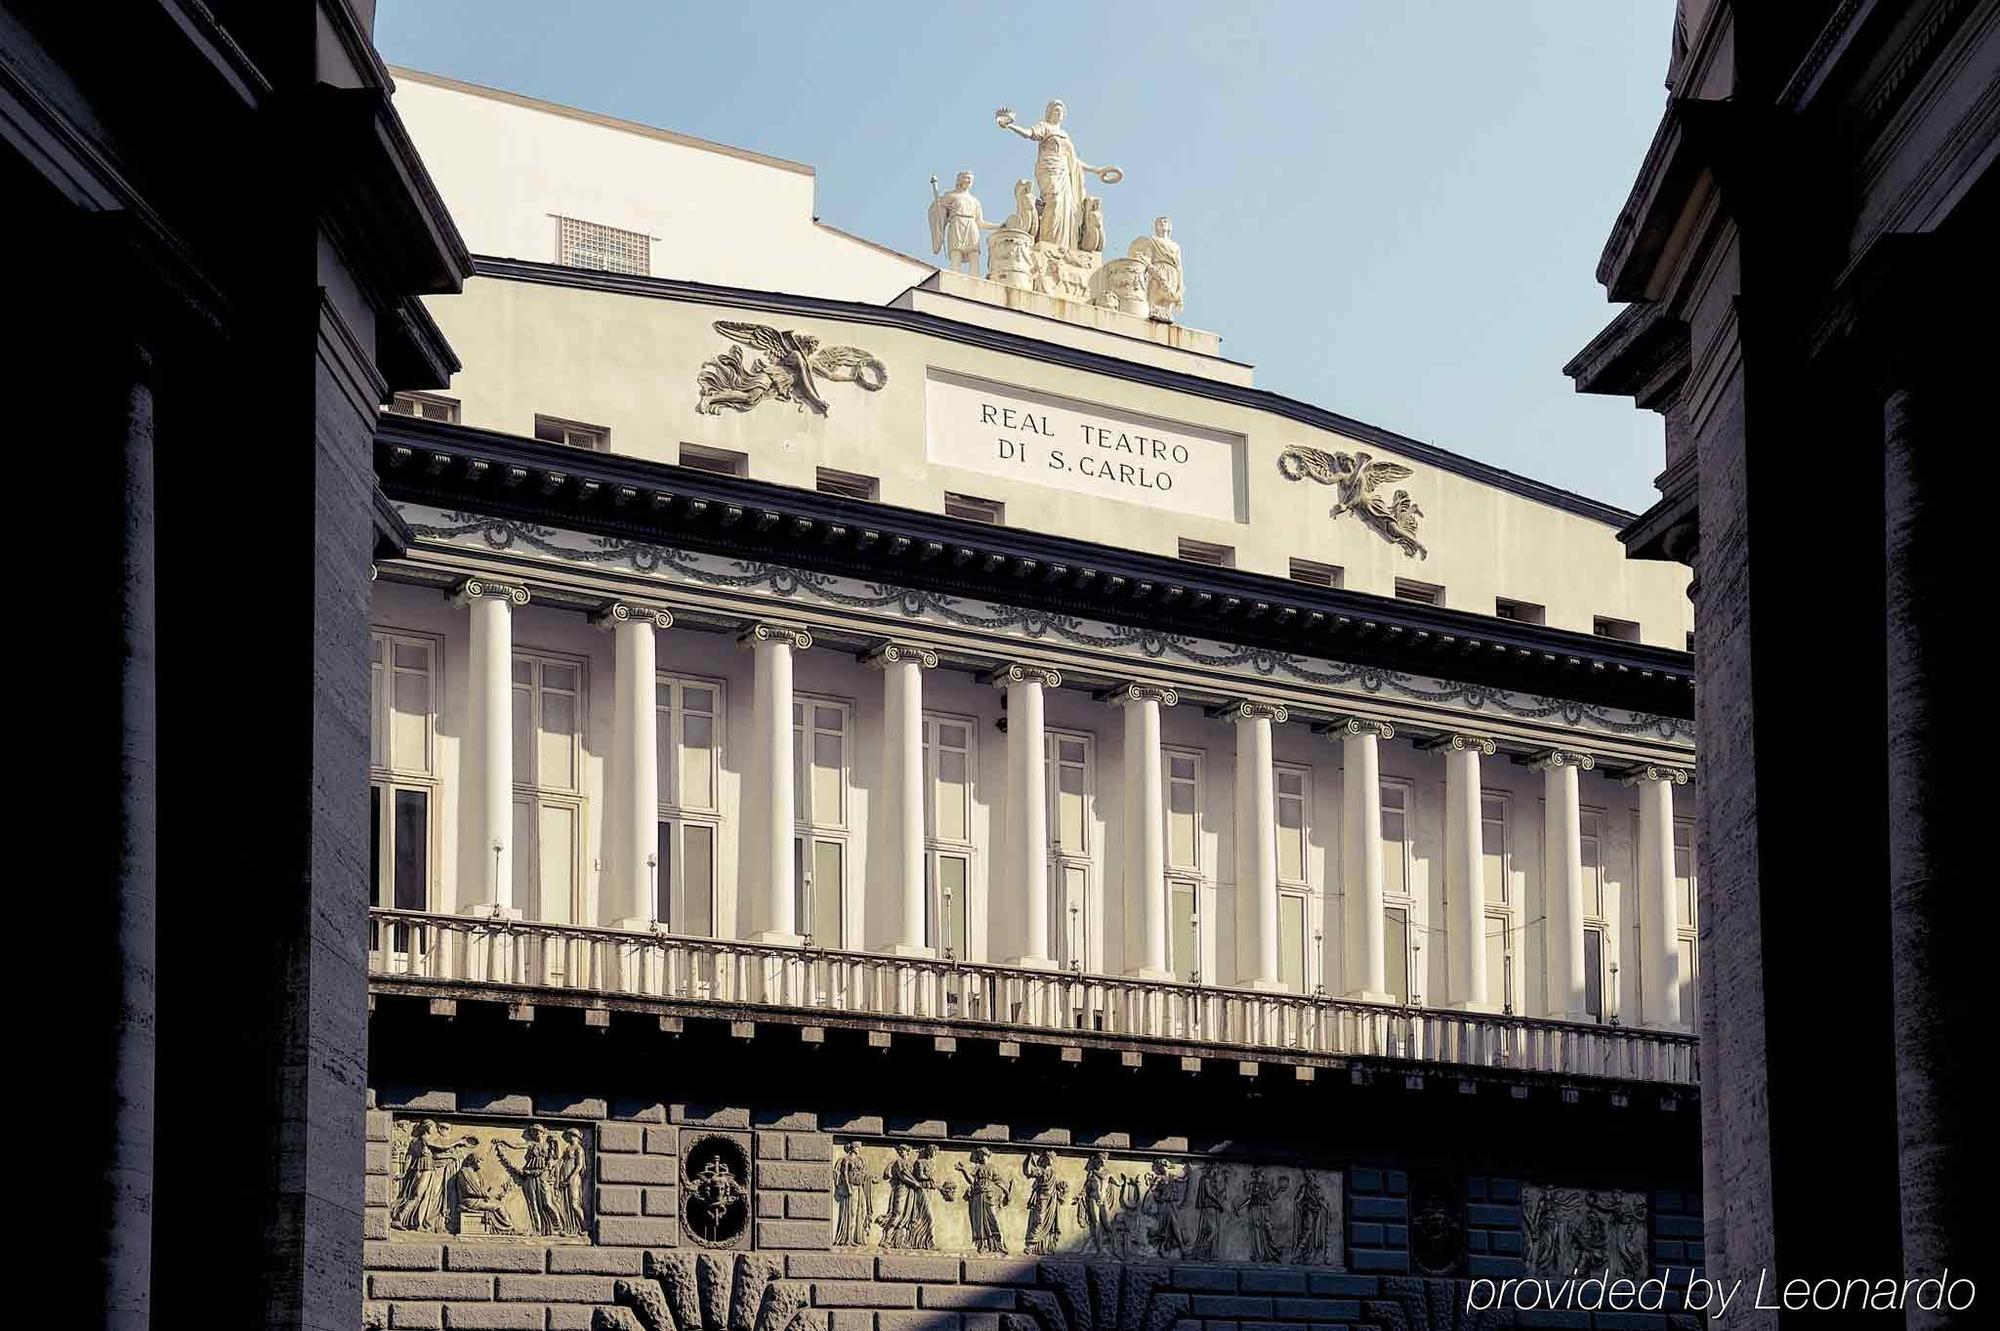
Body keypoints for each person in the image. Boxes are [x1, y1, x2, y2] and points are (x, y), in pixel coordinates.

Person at [995, 101, 1121, 250]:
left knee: (1067, 206)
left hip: (1063, 170)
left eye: (1061, 111)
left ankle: (1064, 244)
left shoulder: (1065, 135)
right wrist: (1010, 126)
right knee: (1054, 199)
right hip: (1048, 166)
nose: (1058, 113)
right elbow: (1029, 134)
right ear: (1049, 113)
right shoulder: (1045, 126)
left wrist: (1096, 170)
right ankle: (1048, 240)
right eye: (1055, 110)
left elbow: (1074, 161)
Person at [927, 172, 1002, 277]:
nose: (969, 181)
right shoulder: (950, 195)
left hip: (972, 227)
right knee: (956, 253)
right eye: (966, 178)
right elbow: (938, 211)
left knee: (974, 254)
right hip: (956, 224)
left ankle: (975, 279)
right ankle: (955, 278)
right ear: (960, 180)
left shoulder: (975, 201)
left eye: (970, 179)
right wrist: (939, 207)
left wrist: (999, 226)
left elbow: (980, 223)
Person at [956, 1146, 1009, 1254]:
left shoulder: (992, 1167)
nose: (981, 1157)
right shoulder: (978, 1167)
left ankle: (999, 1243)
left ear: (987, 1155)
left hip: (989, 1195)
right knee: (979, 1221)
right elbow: (971, 1180)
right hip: (978, 1196)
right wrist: (963, 1170)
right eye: (979, 1155)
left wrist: (1007, 1193)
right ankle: (982, 1245)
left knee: (993, 1219)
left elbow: (999, 1182)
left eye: (983, 1154)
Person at [833, 1141, 876, 1246]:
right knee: (852, 1214)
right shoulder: (846, 1160)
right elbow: (845, 1175)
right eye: (857, 1147)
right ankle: (849, 1238)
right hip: (851, 1189)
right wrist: (848, 1188)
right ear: (852, 1148)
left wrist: (870, 1178)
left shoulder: (860, 1160)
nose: (859, 1149)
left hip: (859, 1188)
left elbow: (863, 1174)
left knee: (861, 1212)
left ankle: (857, 1237)